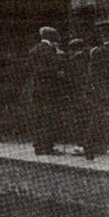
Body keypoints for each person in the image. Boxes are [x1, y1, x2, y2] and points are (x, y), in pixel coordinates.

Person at [24, 26, 66, 155]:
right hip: (49, 89)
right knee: (49, 118)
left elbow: (29, 68)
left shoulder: (34, 50)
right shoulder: (50, 51)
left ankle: (38, 146)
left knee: (38, 117)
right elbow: (51, 69)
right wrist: (59, 69)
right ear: (51, 36)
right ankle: (48, 147)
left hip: (36, 89)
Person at [66, 38, 92, 156]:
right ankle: (92, 145)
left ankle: (81, 146)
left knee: (78, 121)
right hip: (88, 93)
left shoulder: (73, 61)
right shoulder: (89, 59)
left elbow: (71, 79)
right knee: (89, 120)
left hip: (76, 95)